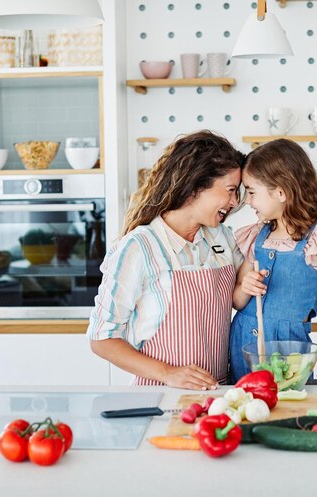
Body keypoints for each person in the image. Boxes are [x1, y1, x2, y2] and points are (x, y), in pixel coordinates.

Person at [87, 130, 246, 390]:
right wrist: (170, 373)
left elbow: (248, 290)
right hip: (158, 396)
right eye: (230, 190)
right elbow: (101, 339)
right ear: (196, 186)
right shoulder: (139, 247)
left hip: (217, 395)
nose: (234, 201)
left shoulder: (222, 239)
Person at [229, 139, 317, 390]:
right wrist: (245, 287)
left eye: (251, 191)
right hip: (240, 348)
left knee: (292, 409)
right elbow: (237, 301)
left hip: (289, 351)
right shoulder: (255, 236)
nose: (247, 201)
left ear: (280, 192)